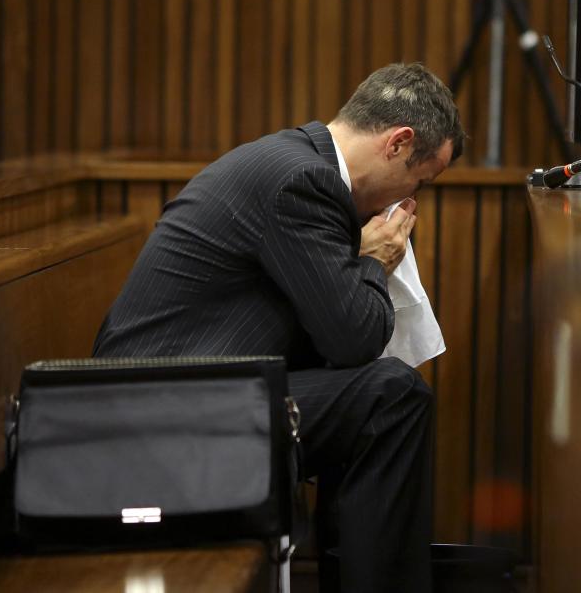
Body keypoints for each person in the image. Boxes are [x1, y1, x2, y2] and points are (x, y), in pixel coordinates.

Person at [93, 62, 464, 593]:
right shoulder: (302, 180)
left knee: (377, 397)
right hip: (160, 408)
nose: (412, 200)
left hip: (184, 390)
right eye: (420, 181)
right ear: (399, 143)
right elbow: (354, 338)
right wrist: (373, 262)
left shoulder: (300, 163)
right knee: (392, 397)